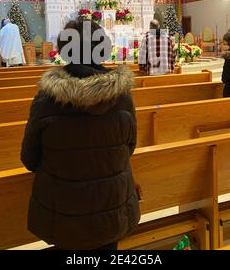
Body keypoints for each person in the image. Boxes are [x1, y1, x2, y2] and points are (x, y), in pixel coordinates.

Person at [20, 19, 140, 250]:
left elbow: (29, 159)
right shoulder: (123, 98)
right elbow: (129, 148)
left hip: (63, 212)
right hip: (111, 210)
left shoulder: (47, 100)